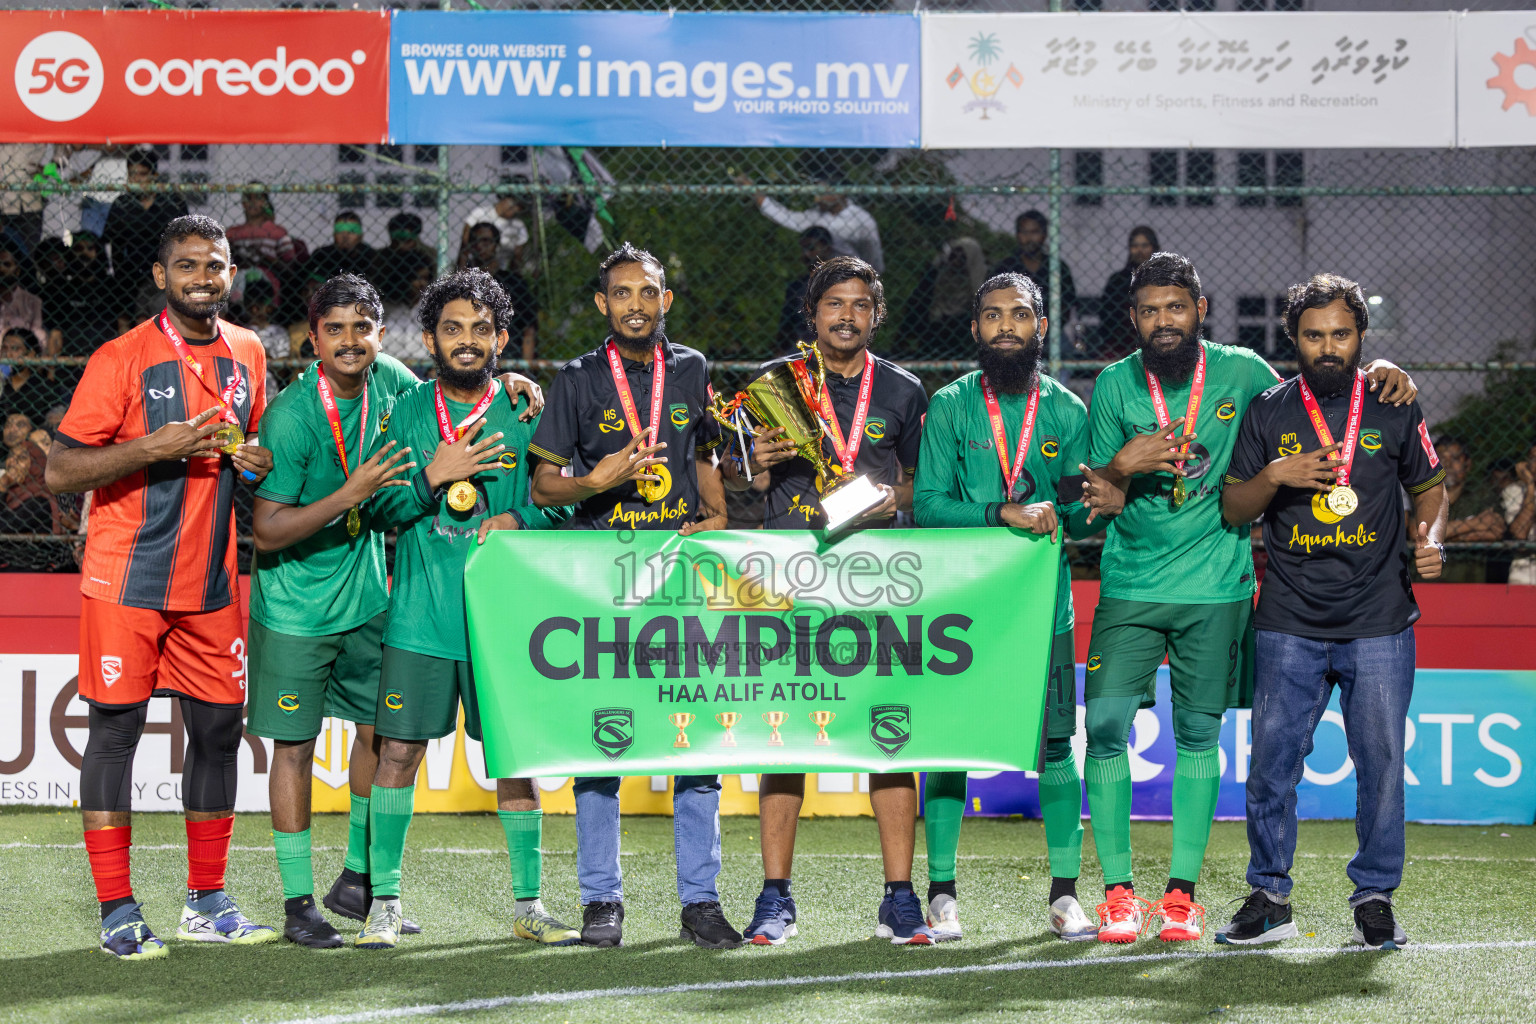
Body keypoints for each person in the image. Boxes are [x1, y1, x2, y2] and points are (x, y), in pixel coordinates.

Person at [1081, 252, 1416, 944]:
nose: (1163, 320)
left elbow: (1324, 396)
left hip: (1218, 588)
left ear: (1201, 310)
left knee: (1203, 736)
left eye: (1176, 307)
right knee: (1109, 725)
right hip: (1131, 585)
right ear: (1134, 318)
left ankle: (1181, 896)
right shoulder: (1113, 385)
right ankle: (1117, 892)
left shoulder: (1245, 375)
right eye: (1149, 310)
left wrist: (1393, 376)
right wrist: (1123, 463)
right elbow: (1101, 495)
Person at [44, 214, 276, 960]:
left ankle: (206, 900)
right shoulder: (121, 357)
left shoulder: (249, 351)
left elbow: (247, 445)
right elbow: (60, 471)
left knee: (216, 733)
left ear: (230, 273)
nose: (202, 278)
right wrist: (151, 447)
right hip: (127, 578)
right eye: (187, 266)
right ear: (159, 276)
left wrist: (255, 462)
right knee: (114, 733)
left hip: (211, 581)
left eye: (214, 266)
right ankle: (117, 910)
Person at [1218, 273, 1447, 950]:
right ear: (1293, 338)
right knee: (1271, 767)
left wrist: (1429, 540)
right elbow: (1234, 508)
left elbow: (1429, 492)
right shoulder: (1267, 411)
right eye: (1313, 335)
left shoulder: (1394, 402)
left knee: (1379, 767)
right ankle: (1269, 895)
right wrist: (1275, 478)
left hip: (1379, 620)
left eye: (1340, 334)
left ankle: (1374, 897)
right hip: (1289, 620)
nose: (1328, 347)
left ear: (1361, 337)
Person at [353, 268, 577, 951]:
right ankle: (384, 903)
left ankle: (529, 905)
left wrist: (518, 519)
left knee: (515, 758)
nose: (468, 341)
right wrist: (433, 475)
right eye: (453, 329)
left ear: (502, 338)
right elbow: (378, 506)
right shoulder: (410, 412)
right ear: (429, 339)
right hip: (421, 617)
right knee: (397, 755)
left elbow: (566, 500)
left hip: (502, 619)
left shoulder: (527, 408)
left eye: (482, 329)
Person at [528, 242, 741, 950]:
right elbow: (543, 486)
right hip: (605, 582)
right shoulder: (577, 378)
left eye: (647, 292)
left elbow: (704, 454)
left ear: (665, 300)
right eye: (621, 294)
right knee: (602, 744)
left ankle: (700, 902)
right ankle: (601, 902)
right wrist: (597, 481)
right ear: (602, 304)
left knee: (695, 742)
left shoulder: (692, 370)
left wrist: (714, 511)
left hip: (681, 577)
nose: (636, 305)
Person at [721, 256, 934, 946]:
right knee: (783, 735)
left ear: (877, 314)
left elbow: (921, 490)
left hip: (874, 578)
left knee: (889, 733)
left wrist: (884, 501)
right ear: (812, 314)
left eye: (860, 305)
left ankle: (900, 897)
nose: (846, 316)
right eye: (833, 305)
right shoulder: (773, 384)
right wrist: (756, 460)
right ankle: (775, 897)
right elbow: (735, 481)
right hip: (787, 574)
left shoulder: (903, 390)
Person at [913, 272, 1122, 944]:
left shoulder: (1065, 410)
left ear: (1040, 327)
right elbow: (928, 508)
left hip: (1041, 613)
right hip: (960, 613)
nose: (1007, 327)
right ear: (975, 328)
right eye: (994, 316)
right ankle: (940, 894)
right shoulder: (948, 405)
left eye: (1021, 316)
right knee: (948, 748)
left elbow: (1078, 507)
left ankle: (1065, 896)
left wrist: (1062, 510)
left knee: (1057, 746)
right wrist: (1002, 511)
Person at [245, 275, 422, 948]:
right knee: (293, 750)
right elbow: (267, 529)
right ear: (312, 338)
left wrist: (513, 382)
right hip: (295, 608)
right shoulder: (291, 417)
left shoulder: (396, 380)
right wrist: (350, 494)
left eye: (364, 327)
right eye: (336, 329)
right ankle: (297, 904)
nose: (351, 341)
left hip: (370, 598)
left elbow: (454, 407)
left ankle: (357, 877)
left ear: (380, 333)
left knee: (379, 733)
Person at [103, 150, 189, 314]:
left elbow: (186, 241)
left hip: (167, 271)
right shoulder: (122, 204)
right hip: (129, 274)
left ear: (154, 175)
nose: (136, 180)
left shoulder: (172, 203)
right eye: (132, 174)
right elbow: (113, 245)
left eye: (142, 174)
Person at [745, 177, 884, 272]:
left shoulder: (862, 220)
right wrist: (756, 194)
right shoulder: (814, 216)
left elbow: (873, 256)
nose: (817, 199)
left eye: (822, 193)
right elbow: (786, 217)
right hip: (820, 279)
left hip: (853, 278)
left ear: (839, 193)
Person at [895, 237, 988, 359]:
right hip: (937, 323)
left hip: (963, 327)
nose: (956, 261)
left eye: (962, 257)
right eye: (954, 256)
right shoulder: (939, 275)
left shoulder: (982, 281)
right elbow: (921, 303)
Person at [991, 210, 1077, 329]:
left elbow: (1067, 306)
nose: (1029, 238)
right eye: (1024, 232)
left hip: (1051, 333)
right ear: (1017, 235)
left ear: (1044, 235)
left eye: (1034, 232)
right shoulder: (1005, 268)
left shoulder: (1057, 267)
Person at [1093, 226, 1159, 362]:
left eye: (1144, 245)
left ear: (1154, 247)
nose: (1139, 250)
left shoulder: (1163, 279)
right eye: (1135, 246)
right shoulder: (1117, 280)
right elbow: (1106, 316)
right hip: (1119, 346)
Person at [775, 227, 834, 354]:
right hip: (802, 350)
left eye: (812, 248)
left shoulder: (842, 284)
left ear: (827, 249)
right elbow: (786, 328)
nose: (806, 254)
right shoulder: (796, 287)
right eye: (803, 249)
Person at [225, 187, 299, 272]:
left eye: (258, 198)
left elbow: (289, 263)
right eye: (249, 198)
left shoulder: (277, 232)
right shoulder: (232, 233)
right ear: (243, 203)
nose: (253, 202)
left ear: (265, 203)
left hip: (267, 280)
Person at [375, 213, 436, 308]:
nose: (401, 244)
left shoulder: (429, 254)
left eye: (405, 239)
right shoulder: (381, 256)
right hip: (390, 302)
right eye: (397, 240)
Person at [461, 189, 529, 274]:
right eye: (514, 204)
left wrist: (515, 276)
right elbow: (464, 244)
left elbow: (517, 256)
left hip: (500, 272)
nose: (516, 209)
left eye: (520, 207)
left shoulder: (518, 226)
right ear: (504, 198)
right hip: (474, 267)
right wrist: (461, 270)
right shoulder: (480, 214)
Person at [305, 212, 375, 282]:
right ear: (334, 234)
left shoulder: (372, 257)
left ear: (360, 236)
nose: (345, 236)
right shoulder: (321, 255)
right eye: (340, 230)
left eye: (352, 230)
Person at [0, 242, 45, 351]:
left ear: (17, 271)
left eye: (6, 264)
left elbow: (39, 338)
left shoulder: (32, 302)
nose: (0, 269)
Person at [1503, 440, 1536, 585]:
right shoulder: (1514, 491)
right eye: (1534, 458)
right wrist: (1530, 487)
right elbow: (1520, 534)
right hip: (1524, 577)